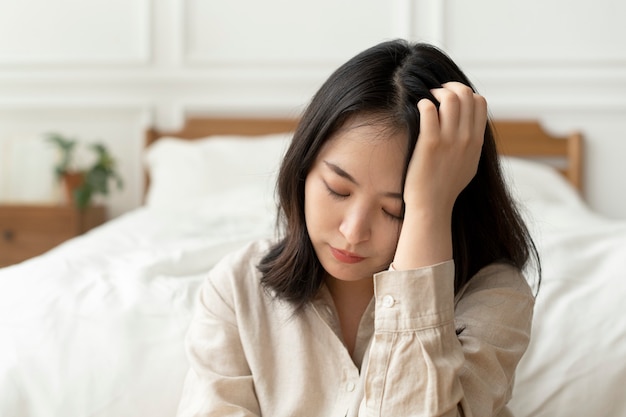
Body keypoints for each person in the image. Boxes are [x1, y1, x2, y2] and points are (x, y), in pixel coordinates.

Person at [176, 39, 538, 417]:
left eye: (394, 210)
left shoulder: (494, 296)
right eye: (337, 189)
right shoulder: (237, 288)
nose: (353, 231)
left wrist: (428, 209)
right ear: (303, 168)